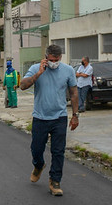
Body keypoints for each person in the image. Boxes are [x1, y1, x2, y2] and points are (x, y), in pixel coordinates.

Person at [19, 45, 79, 196]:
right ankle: (39, 165)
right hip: (40, 117)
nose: (54, 63)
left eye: (56, 60)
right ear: (46, 57)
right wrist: (38, 74)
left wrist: (75, 115)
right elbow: (22, 86)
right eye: (51, 60)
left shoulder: (68, 70)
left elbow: (73, 93)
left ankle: (55, 181)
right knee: (36, 149)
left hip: (60, 117)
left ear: (60, 58)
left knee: (58, 151)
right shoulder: (35, 68)